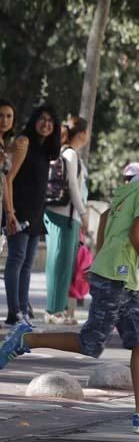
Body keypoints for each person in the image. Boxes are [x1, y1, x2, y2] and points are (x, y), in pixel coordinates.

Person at [0, 137, 139, 434]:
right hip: (117, 278)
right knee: (91, 342)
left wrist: (100, 259)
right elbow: (138, 235)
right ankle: (26, 339)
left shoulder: (133, 186)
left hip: (119, 277)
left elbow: (104, 219)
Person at [3, 105, 61, 326]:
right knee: (16, 260)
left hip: (36, 212)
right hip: (19, 210)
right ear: (34, 120)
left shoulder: (45, 148)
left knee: (27, 263)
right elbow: (8, 179)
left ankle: (23, 310)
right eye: (42, 119)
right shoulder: (24, 141)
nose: (46, 124)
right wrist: (10, 212)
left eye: (51, 121)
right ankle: (14, 312)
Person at [42, 116, 90, 325]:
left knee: (64, 264)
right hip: (63, 215)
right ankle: (53, 310)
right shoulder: (70, 153)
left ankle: (59, 309)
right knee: (58, 263)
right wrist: (83, 213)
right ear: (82, 134)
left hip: (66, 215)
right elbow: (73, 186)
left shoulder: (69, 153)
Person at [0, 99, 16, 246]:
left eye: (9, 116)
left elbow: (4, 179)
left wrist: (9, 212)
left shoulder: (5, 143)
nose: (4, 120)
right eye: (0, 115)